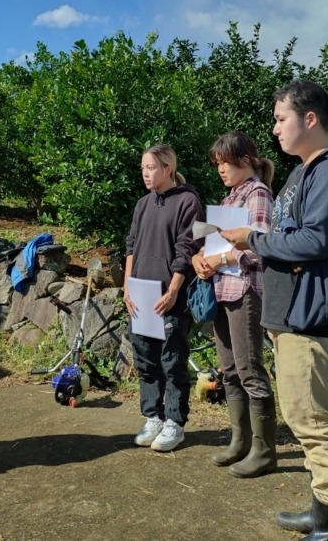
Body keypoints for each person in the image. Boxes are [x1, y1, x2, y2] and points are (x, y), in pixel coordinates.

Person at [222, 80, 328, 541]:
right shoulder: (306, 171)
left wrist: (253, 240)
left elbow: (315, 241)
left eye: (280, 118)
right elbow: (295, 235)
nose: (274, 129)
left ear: (309, 119)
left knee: (315, 420)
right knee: (305, 416)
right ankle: (322, 509)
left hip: (313, 318)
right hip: (295, 315)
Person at [191, 131, 277, 478]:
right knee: (229, 371)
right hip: (222, 290)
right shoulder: (229, 200)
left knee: (250, 370)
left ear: (245, 160)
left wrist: (221, 258)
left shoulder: (258, 194)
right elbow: (213, 244)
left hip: (245, 291)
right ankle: (240, 441)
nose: (220, 170)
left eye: (224, 163)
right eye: (217, 164)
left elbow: (262, 246)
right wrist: (200, 258)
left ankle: (264, 451)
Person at [123, 144, 204, 452]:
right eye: (143, 168)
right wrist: (127, 287)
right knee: (146, 361)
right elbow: (131, 245)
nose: (145, 173)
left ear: (168, 168)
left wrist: (173, 290)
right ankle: (153, 417)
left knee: (172, 361)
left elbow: (187, 248)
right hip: (140, 294)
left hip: (170, 297)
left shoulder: (187, 200)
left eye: (151, 168)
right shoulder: (143, 204)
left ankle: (175, 423)